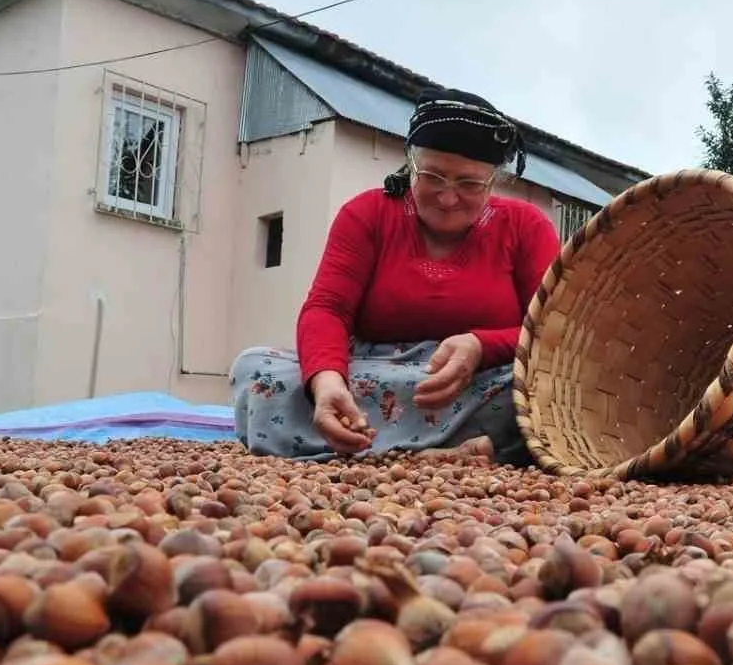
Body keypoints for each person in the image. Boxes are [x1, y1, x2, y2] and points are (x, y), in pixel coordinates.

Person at [229, 88, 565, 464]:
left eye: (469, 184)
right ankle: (484, 447)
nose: (448, 197)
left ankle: (381, 447)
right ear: (411, 166)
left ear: (493, 182)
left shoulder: (526, 226)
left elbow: (549, 331)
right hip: (373, 371)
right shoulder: (366, 214)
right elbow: (327, 309)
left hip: (479, 379)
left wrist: (480, 346)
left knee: (551, 391)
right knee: (256, 368)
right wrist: (326, 383)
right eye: (434, 176)